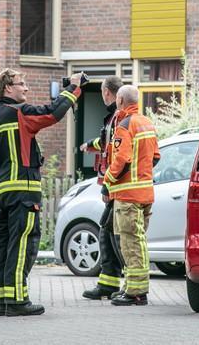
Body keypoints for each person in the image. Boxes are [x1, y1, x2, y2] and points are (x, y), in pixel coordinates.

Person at [0, 69, 82, 316]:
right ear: (7, 89)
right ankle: (16, 301)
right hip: (24, 192)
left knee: (4, 244)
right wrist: (74, 88)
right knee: (23, 243)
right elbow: (53, 112)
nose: (26, 88)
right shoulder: (20, 113)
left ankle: (3, 300)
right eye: (21, 84)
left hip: (4, 194)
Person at [103, 85, 160, 306]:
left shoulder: (124, 124)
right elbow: (155, 157)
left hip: (128, 196)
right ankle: (131, 286)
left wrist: (108, 179)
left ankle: (136, 292)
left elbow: (122, 160)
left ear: (119, 100)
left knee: (130, 244)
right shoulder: (146, 122)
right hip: (145, 193)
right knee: (138, 242)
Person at [80, 76, 125, 300]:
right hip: (115, 186)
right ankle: (108, 283)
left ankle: (124, 284)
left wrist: (108, 186)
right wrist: (90, 145)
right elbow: (106, 142)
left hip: (118, 187)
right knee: (107, 231)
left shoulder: (119, 118)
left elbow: (119, 154)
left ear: (107, 92)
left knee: (114, 234)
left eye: (101, 91)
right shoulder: (114, 119)